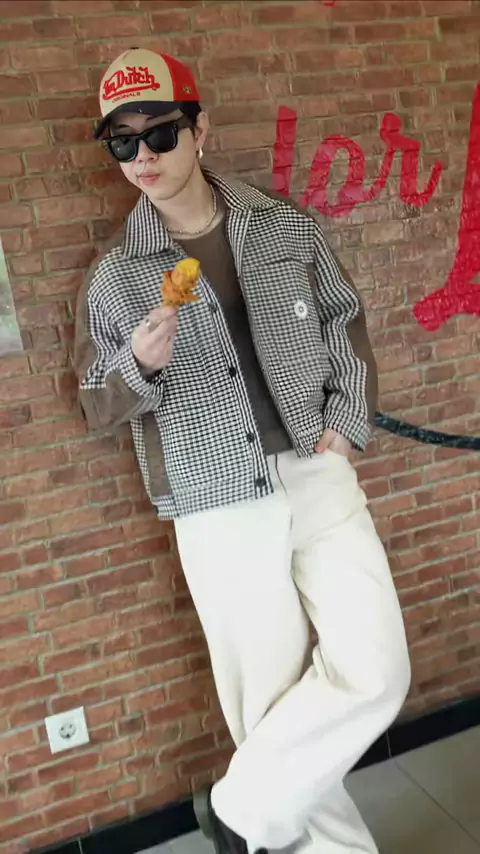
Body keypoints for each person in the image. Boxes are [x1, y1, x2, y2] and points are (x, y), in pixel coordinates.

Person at [74, 48, 411, 854]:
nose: (144, 156)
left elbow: (343, 319)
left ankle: (236, 811)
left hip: (319, 469)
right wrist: (138, 365)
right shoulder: (114, 277)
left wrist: (347, 420)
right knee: (271, 709)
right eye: (123, 142)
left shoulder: (283, 226)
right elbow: (94, 404)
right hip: (215, 501)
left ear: (200, 131)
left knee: (377, 669)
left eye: (160, 133)